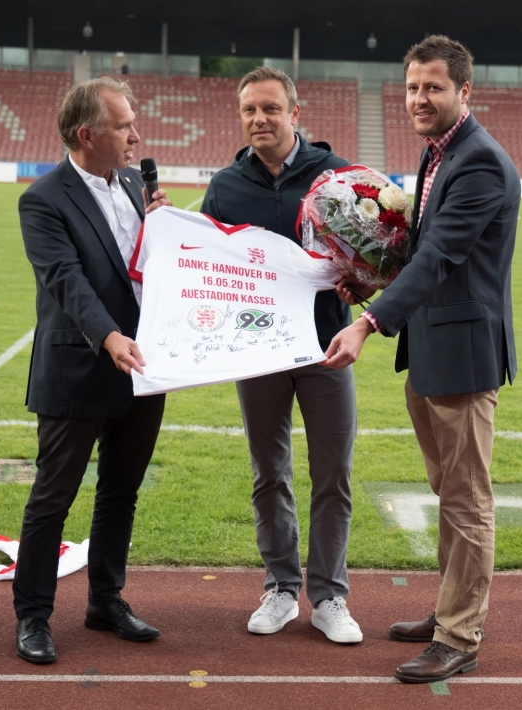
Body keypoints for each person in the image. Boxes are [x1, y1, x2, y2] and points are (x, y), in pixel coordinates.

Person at [323, 35, 520, 682]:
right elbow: (419, 251)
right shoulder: (439, 153)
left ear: (464, 90)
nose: (419, 98)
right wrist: (369, 281)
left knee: (466, 500)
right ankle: (447, 612)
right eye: (412, 87)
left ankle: (459, 636)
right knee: (449, 492)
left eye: (433, 87)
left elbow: (439, 259)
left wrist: (369, 323)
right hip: (432, 351)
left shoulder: (479, 162)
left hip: (463, 358)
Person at [200, 67, 362, 644]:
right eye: (249, 110)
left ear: (295, 113)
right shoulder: (225, 186)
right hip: (258, 351)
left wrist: (361, 283)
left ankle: (330, 596)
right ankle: (282, 587)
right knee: (269, 472)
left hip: (325, 347)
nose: (259, 119)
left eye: (270, 108)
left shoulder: (336, 176)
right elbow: (204, 264)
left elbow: (370, 256)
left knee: (333, 473)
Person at [13, 76, 172, 664]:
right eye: (124, 126)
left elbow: (144, 271)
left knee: (120, 492)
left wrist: (164, 233)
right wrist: (108, 337)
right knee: (53, 498)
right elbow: (66, 281)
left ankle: (106, 600)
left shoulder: (132, 183)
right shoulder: (43, 200)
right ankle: (33, 615)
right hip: (78, 367)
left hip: (142, 368)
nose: (136, 136)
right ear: (87, 135)